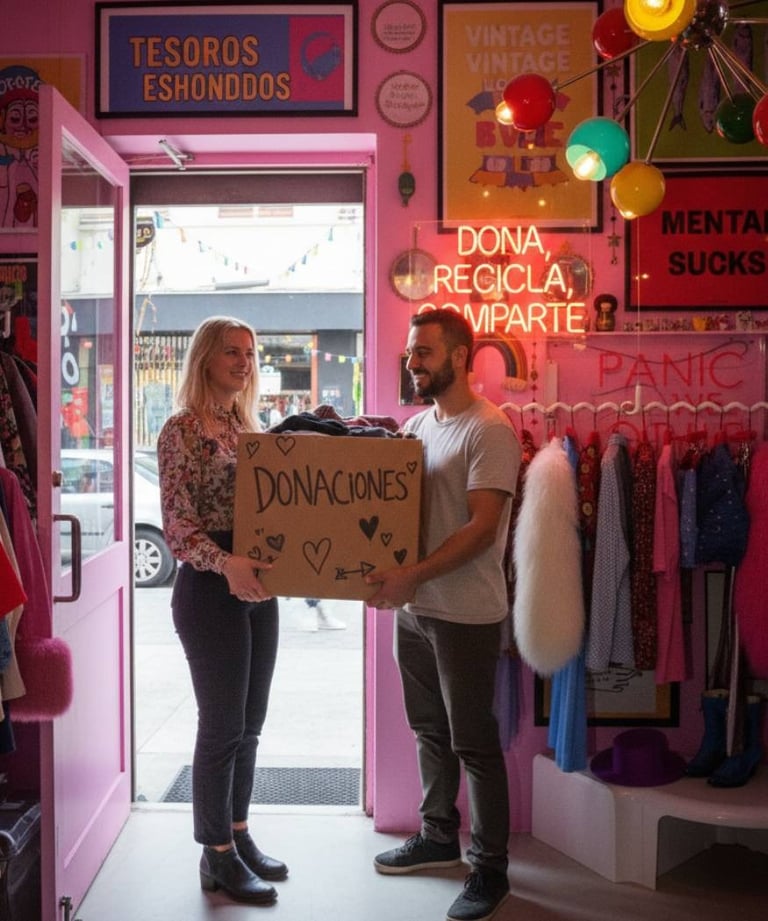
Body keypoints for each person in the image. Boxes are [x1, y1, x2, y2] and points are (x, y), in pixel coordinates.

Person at [365, 310, 522, 921]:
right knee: (429, 731)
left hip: (465, 614)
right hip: (416, 609)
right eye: (410, 353)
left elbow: (483, 530)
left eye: (424, 352)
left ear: (460, 356)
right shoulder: (417, 428)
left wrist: (410, 577)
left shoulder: (491, 430)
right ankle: (437, 837)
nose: (413, 362)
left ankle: (490, 869)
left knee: (474, 743)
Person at [157, 316, 287, 905]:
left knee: (251, 724)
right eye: (232, 352)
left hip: (257, 588)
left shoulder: (248, 429)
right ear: (206, 357)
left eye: (250, 353)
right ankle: (215, 856)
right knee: (222, 727)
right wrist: (228, 561)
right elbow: (177, 526)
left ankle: (238, 833)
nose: (244, 362)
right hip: (210, 590)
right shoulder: (180, 430)